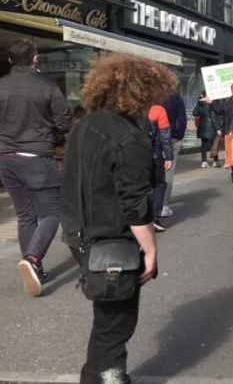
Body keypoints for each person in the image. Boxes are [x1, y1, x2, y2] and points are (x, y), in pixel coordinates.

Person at [60, 54, 174, 383]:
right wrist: (150, 250)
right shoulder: (129, 137)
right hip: (111, 239)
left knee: (107, 318)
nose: (156, 100)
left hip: (79, 231)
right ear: (142, 90)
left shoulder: (85, 125)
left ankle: (97, 375)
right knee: (117, 323)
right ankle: (109, 376)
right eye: (154, 92)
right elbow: (135, 203)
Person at [0, 39, 72, 296]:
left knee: (25, 215)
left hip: (6, 158)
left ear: (10, 60)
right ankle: (32, 259)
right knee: (51, 213)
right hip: (37, 157)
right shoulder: (47, 87)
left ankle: (34, 266)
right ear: (35, 58)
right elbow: (65, 123)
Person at [147, 103, 173, 232]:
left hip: (135, 155)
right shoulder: (158, 110)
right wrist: (168, 156)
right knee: (159, 184)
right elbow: (165, 135)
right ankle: (154, 218)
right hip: (155, 154)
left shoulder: (131, 108)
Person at [160, 92, 186, 218]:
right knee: (168, 172)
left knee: (155, 171)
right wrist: (179, 135)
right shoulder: (175, 97)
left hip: (154, 139)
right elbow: (182, 119)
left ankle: (154, 203)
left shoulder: (149, 96)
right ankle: (164, 205)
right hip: (172, 139)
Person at [192, 91, 218, 168]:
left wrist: (198, 101)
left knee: (204, 145)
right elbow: (213, 115)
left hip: (203, 126)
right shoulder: (212, 102)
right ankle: (215, 161)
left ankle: (204, 161)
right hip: (212, 126)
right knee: (214, 144)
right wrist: (217, 127)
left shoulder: (200, 103)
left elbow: (195, 113)